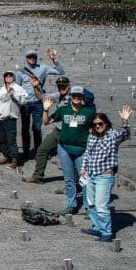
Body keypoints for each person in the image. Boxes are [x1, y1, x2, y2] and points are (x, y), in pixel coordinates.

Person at [24, 77, 96, 184]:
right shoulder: (58, 95)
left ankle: (75, 184)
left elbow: (90, 100)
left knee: (73, 159)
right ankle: (38, 176)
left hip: (75, 133)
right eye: (60, 86)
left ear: (69, 86)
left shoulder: (77, 97)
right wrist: (35, 87)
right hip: (58, 131)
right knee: (42, 150)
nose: (62, 88)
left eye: (64, 85)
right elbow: (42, 98)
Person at [79, 106, 133, 242]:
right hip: (90, 175)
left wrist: (125, 121)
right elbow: (87, 153)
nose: (98, 126)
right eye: (95, 124)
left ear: (106, 124)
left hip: (104, 176)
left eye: (100, 124)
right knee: (90, 204)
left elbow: (124, 134)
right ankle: (97, 227)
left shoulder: (112, 136)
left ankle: (107, 232)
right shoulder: (92, 136)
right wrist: (83, 168)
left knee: (101, 206)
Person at [43, 87, 96, 215]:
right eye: (74, 96)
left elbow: (93, 130)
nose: (77, 98)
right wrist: (45, 109)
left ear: (83, 97)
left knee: (85, 180)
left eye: (79, 96)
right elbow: (46, 122)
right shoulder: (63, 109)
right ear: (70, 96)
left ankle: (89, 208)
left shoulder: (88, 112)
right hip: (64, 148)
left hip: (82, 150)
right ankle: (71, 205)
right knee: (69, 179)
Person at [14, 48, 65, 161]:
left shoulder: (43, 68)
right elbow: (17, 87)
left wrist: (54, 59)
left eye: (34, 56)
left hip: (38, 101)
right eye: (29, 57)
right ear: (26, 58)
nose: (32, 58)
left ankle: (38, 152)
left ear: (36, 58)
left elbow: (61, 72)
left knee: (37, 128)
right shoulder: (20, 72)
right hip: (25, 103)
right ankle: (26, 152)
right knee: (25, 128)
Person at [0, 71, 28, 169]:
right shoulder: (1, 88)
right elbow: (0, 101)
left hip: (10, 117)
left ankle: (14, 159)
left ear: (13, 77)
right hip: (0, 116)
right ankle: (6, 156)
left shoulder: (18, 88)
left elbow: (24, 101)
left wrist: (14, 94)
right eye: (6, 76)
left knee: (11, 139)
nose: (8, 77)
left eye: (10, 75)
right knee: (2, 139)